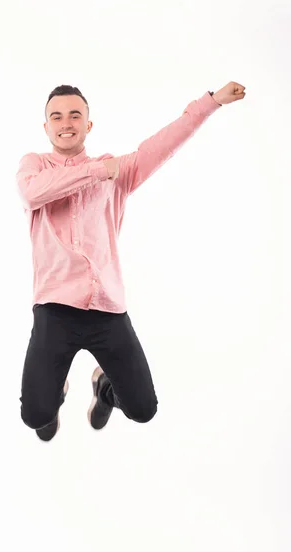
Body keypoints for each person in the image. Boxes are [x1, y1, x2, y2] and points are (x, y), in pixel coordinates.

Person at [16, 81, 246, 441]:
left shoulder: (116, 171)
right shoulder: (35, 165)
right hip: (54, 310)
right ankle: (56, 392)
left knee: (143, 410)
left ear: (88, 125)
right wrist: (96, 172)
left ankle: (103, 386)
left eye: (75, 115)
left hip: (106, 309)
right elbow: (32, 194)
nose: (66, 122)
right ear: (45, 127)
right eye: (56, 116)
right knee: (35, 416)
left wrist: (212, 101)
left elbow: (164, 143)